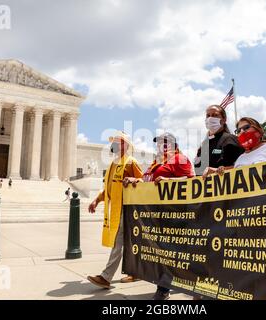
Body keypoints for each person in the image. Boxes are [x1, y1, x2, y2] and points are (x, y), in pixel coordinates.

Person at [122, 132, 195, 300]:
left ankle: (163, 289)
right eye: (158, 142)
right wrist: (136, 180)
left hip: (174, 213)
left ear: (174, 145)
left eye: (165, 142)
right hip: (156, 213)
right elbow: (148, 180)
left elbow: (191, 181)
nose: (160, 145)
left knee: (169, 253)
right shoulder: (156, 162)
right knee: (162, 252)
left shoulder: (180, 159)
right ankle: (168, 284)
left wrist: (169, 182)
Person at [87, 131, 144, 289]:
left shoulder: (131, 162)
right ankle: (137, 272)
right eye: (113, 142)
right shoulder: (113, 164)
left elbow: (143, 182)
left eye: (117, 142)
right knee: (126, 242)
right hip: (116, 209)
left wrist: (135, 180)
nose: (113, 145)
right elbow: (108, 188)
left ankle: (106, 277)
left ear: (125, 145)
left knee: (118, 242)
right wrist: (96, 200)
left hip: (127, 209)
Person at [195, 104, 244, 178]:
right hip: (206, 188)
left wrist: (216, 170)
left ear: (224, 120)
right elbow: (198, 172)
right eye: (208, 115)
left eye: (215, 115)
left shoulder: (231, 140)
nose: (210, 118)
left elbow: (243, 166)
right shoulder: (203, 145)